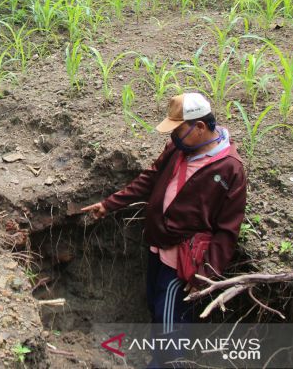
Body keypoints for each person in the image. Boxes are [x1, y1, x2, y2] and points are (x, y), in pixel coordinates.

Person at [82, 93, 246, 339]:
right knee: (156, 305)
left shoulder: (230, 168)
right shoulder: (177, 148)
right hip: (157, 247)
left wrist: (206, 273)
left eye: (177, 130)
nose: (173, 137)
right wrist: (110, 204)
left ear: (200, 127)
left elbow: (227, 229)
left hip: (181, 262)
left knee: (169, 321)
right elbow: (151, 178)